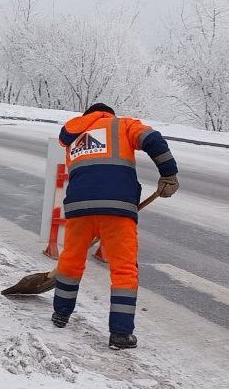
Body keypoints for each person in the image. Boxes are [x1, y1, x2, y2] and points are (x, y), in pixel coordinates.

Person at [50, 103, 179, 349]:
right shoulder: (122, 125)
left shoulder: (73, 137)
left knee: (71, 260)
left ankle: (60, 314)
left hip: (78, 207)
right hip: (117, 207)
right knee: (123, 269)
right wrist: (168, 173)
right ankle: (120, 334)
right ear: (108, 114)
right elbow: (153, 138)